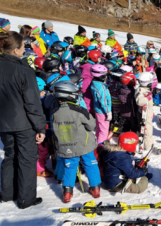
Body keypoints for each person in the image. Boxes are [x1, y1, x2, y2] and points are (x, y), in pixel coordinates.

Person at [0, 31, 46, 208]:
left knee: (10, 156)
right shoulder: (24, 70)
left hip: (4, 122)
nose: (24, 50)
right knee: (26, 159)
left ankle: (7, 193)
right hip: (24, 123)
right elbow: (32, 103)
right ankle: (26, 199)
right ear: (15, 51)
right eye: (22, 48)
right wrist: (40, 127)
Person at [52, 81, 101, 203]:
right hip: (84, 144)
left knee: (69, 167)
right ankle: (95, 189)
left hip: (66, 145)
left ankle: (67, 193)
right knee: (90, 164)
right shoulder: (80, 110)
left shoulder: (54, 113)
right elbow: (91, 125)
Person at [90, 64, 112, 144]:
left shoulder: (94, 84)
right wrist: (108, 112)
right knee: (104, 131)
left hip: (98, 110)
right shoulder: (101, 88)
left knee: (99, 129)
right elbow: (103, 102)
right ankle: (100, 148)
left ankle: (96, 143)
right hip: (103, 111)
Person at [135, 72, 155, 152]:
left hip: (148, 112)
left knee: (147, 129)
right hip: (144, 114)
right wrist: (147, 98)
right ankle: (148, 146)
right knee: (147, 130)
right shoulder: (141, 91)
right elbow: (139, 101)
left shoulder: (145, 89)